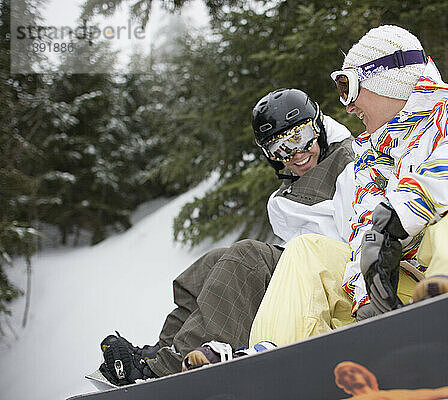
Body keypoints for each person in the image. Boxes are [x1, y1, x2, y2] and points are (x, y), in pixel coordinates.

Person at [247, 25, 448, 347]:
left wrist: (400, 214)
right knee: (307, 248)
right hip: (418, 288)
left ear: (386, 81)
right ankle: (272, 356)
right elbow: (364, 233)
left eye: (349, 89)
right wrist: (370, 299)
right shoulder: (368, 158)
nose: (348, 107)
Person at [98, 88, 356, 385]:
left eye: (299, 137)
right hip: (306, 270)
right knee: (212, 265)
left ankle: (167, 369)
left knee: (247, 258)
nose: (296, 154)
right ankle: (161, 353)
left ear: (318, 127)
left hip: (337, 274)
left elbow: (354, 233)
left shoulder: (349, 162)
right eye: (280, 149)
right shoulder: (289, 193)